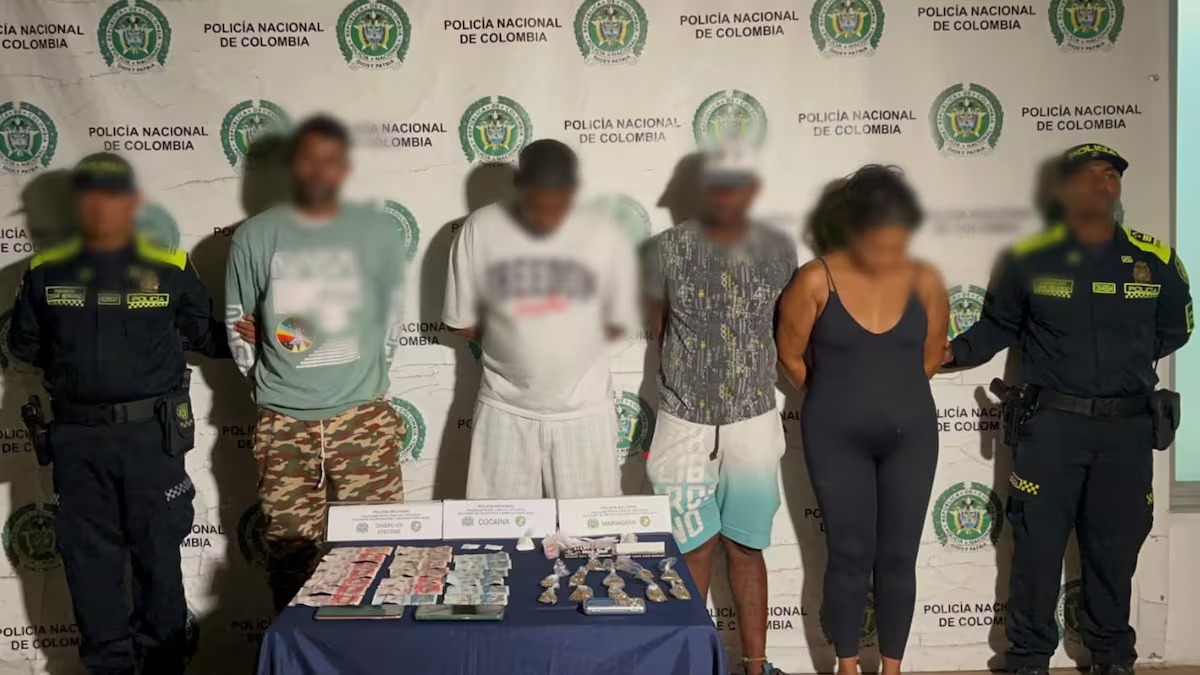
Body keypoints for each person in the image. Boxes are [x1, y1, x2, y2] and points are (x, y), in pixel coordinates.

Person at [946, 144, 1192, 675]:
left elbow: (1176, 330)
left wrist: (1117, 368)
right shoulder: (1029, 259)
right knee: (1036, 551)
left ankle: (1112, 656)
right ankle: (1029, 658)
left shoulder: (1156, 259)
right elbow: (997, 326)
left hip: (1127, 431)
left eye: (1111, 175)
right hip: (1050, 429)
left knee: (1114, 552)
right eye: (1087, 176)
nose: (1102, 185)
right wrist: (949, 353)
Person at [7, 152, 230, 675]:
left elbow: (205, 335)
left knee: (158, 560)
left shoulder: (169, 266)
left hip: (150, 440)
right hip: (77, 442)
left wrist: (270, 335)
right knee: (90, 567)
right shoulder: (44, 271)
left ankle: (164, 667)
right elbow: (23, 346)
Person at [225, 115, 407, 611]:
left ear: (344, 167)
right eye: (308, 159)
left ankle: (375, 646)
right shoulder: (255, 236)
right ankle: (300, 648)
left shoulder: (375, 234)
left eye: (330, 160)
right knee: (290, 558)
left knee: (379, 552)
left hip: (362, 417)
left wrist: (361, 380)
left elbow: (391, 323)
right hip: (283, 423)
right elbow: (238, 327)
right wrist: (278, 372)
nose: (318, 170)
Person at [775, 165, 947, 675]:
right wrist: (836, 399)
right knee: (848, 553)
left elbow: (931, 357)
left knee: (898, 556)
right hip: (835, 436)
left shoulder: (926, 280)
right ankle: (846, 666)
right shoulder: (814, 279)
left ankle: (891, 669)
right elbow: (789, 356)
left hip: (911, 434)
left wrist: (881, 394)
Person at [644, 143, 796, 675]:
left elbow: (785, 329)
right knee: (691, 549)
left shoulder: (779, 248)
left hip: (754, 419)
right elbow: (658, 327)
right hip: (682, 419)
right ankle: (693, 667)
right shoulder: (665, 248)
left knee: (747, 547)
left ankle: (755, 667)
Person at [443, 139, 637, 498]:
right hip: (504, 410)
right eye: (537, 206)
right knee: (496, 528)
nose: (547, 219)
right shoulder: (481, 228)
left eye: (558, 206)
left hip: (584, 414)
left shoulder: (604, 232)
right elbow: (461, 320)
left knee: (589, 530)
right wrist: (513, 338)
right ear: (518, 187)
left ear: (574, 191)